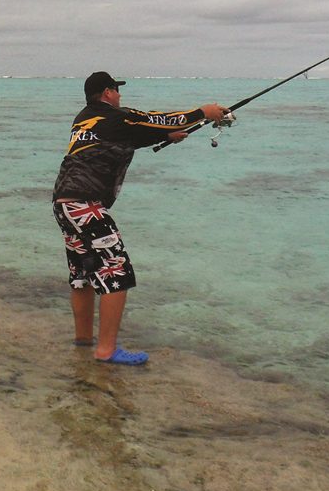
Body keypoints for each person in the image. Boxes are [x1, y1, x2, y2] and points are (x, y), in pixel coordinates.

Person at [52, 72, 226, 365]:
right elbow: (158, 119)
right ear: (107, 93)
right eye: (116, 91)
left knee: (83, 271)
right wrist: (203, 113)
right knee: (116, 271)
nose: (120, 96)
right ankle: (107, 350)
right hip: (86, 204)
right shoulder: (117, 116)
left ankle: (83, 341)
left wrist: (164, 137)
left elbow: (128, 136)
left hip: (63, 202)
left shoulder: (84, 120)